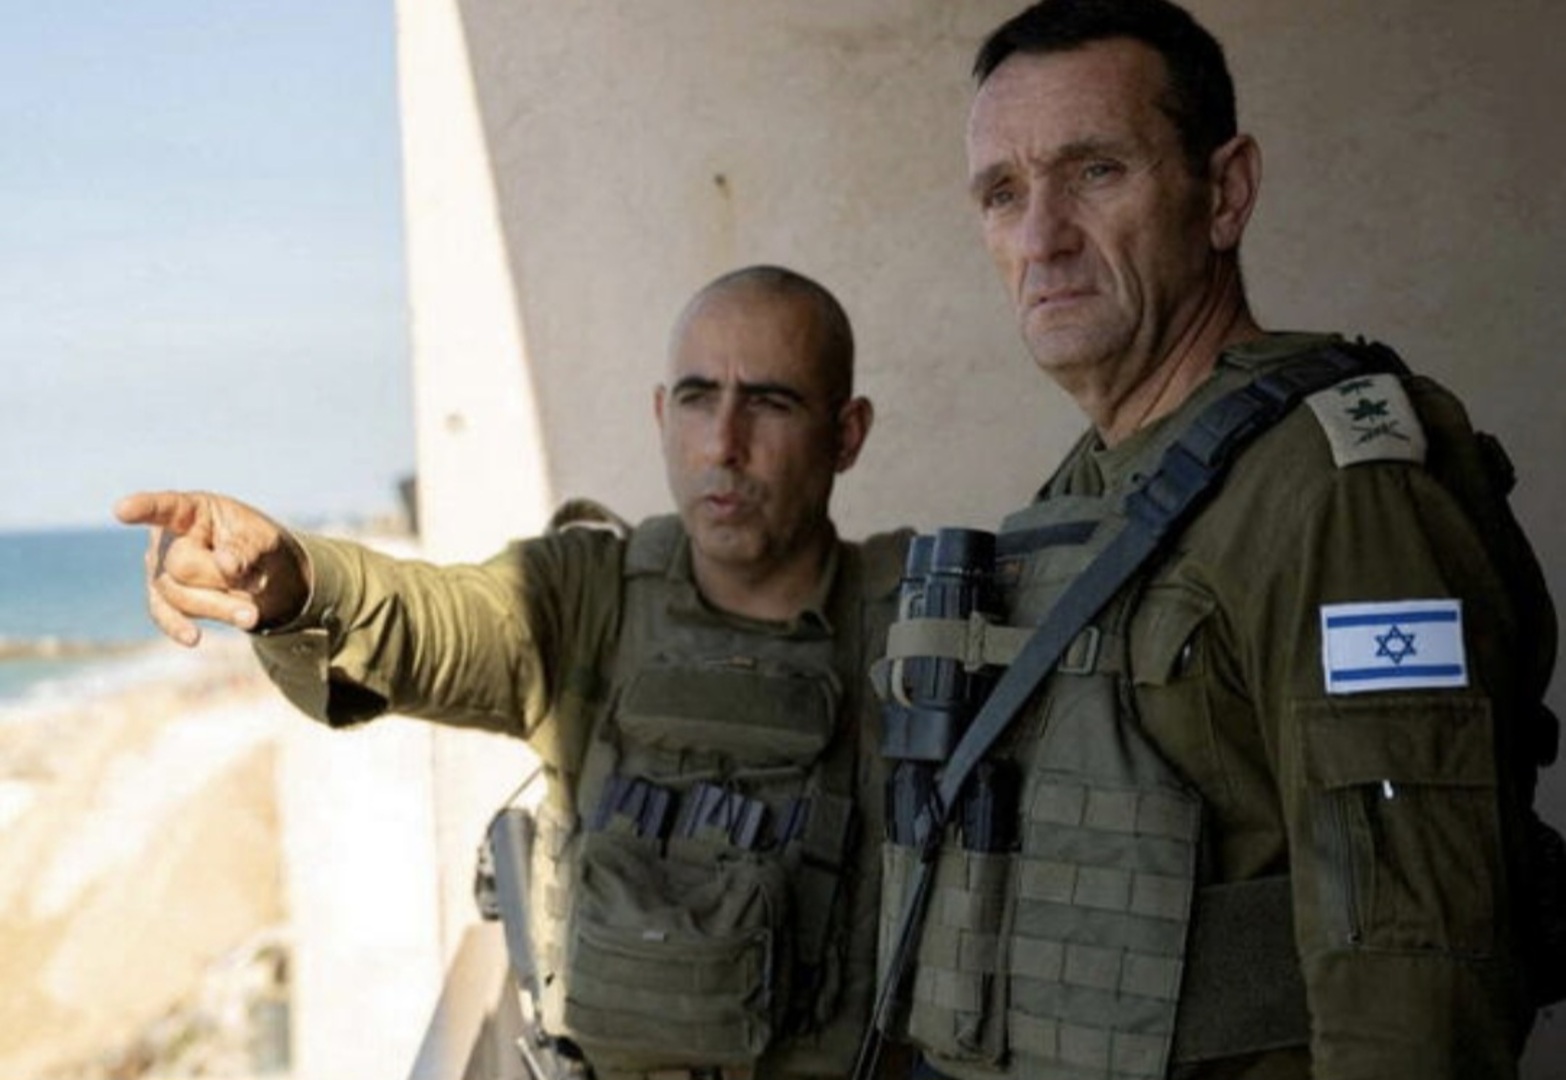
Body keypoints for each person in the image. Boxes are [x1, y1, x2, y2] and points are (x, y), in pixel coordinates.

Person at [868, 2, 1557, 1079]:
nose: (1041, 237)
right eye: (1003, 193)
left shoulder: (1338, 491)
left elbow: (1415, 980)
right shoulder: (1090, 484)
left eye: (1095, 171)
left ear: (1224, 192)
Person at [117, 264, 913, 1080]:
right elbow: (427, 621)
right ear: (659, 414)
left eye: (771, 403)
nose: (723, 444)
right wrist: (290, 580)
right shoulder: (586, 597)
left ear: (846, 435)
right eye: (697, 398)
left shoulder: (913, 628)